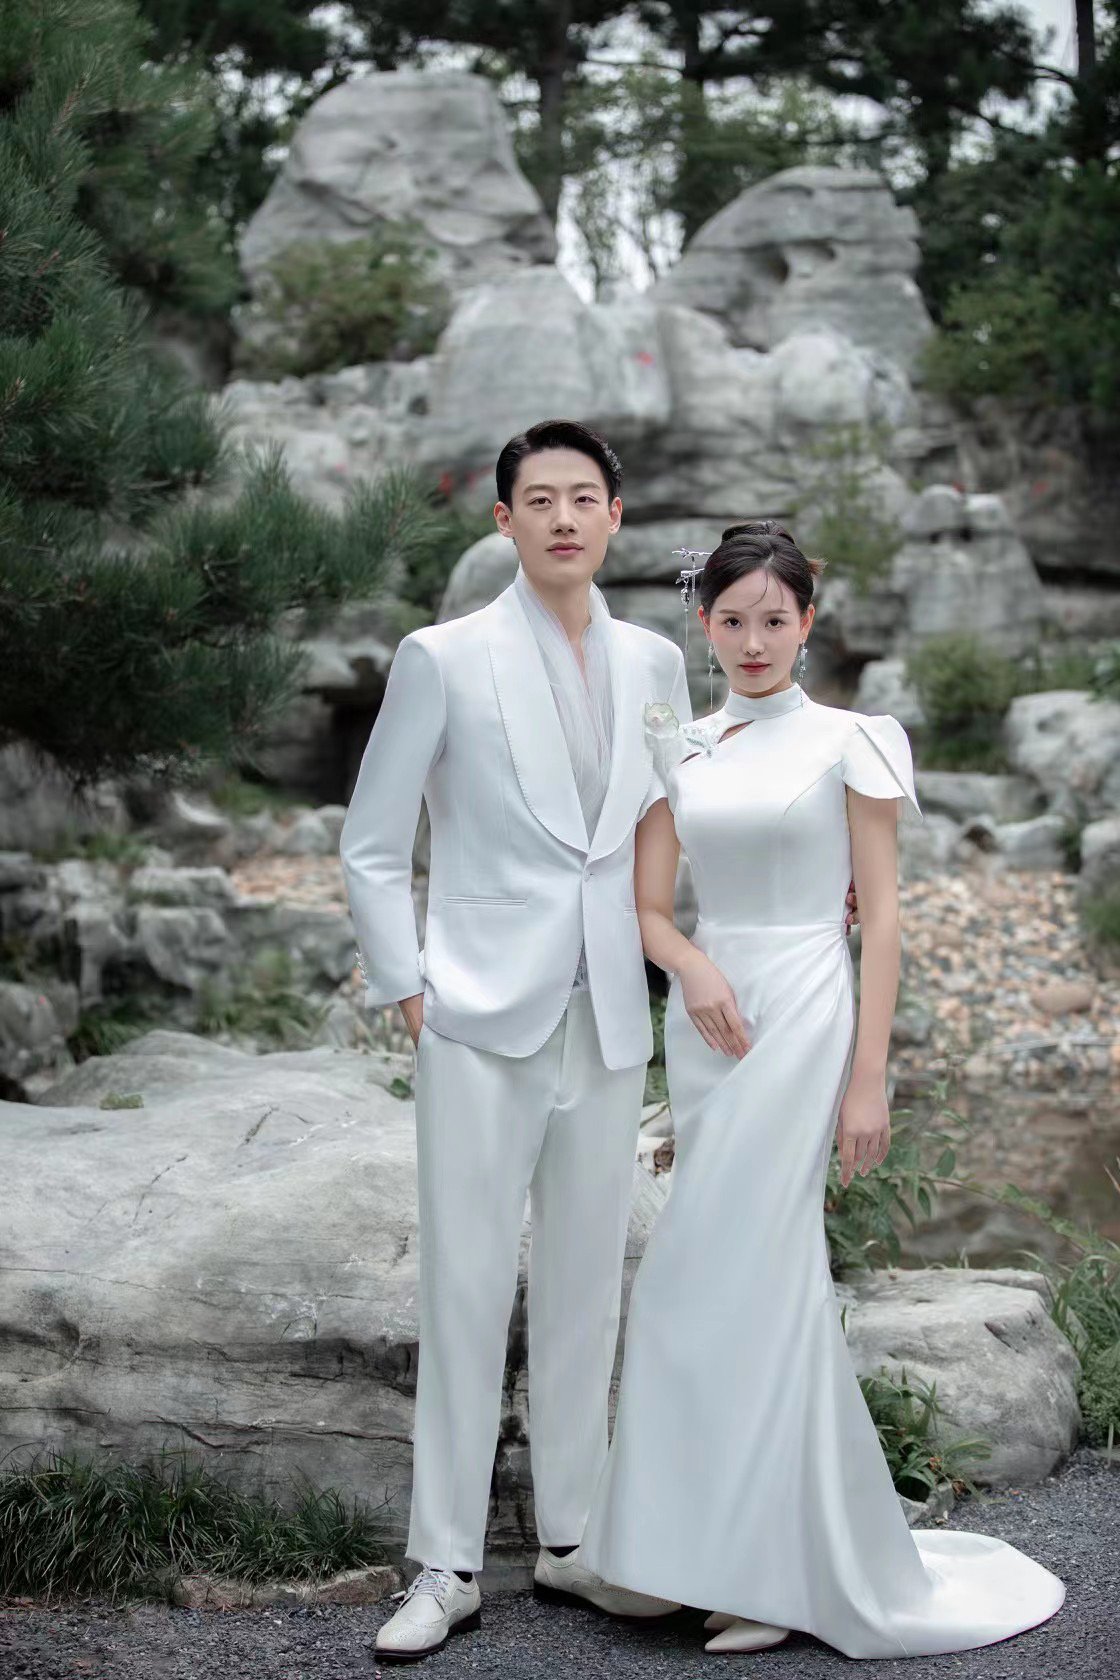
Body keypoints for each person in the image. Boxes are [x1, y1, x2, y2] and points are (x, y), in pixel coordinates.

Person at [578, 520, 1066, 1659]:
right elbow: (648, 908)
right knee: (696, 1286)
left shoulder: (853, 740)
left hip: (804, 1010)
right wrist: (692, 966)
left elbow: (881, 920)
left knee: (759, 1277)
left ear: (808, 621)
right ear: (704, 625)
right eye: (731, 620)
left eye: (774, 619)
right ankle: (691, 1555)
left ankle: (773, 1573)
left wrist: (868, 1080)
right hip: (712, 1019)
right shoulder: (679, 747)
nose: (753, 641)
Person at [339, 419, 693, 1661]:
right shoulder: (441, 656)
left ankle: (572, 1539)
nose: (561, 517)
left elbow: (669, 818)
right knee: (466, 1281)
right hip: (477, 1013)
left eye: (582, 497)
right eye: (537, 499)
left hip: (606, 1010)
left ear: (613, 517)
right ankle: (443, 1561)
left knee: (589, 1287)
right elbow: (373, 840)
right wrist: (407, 984)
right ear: (504, 521)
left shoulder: (657, 660)